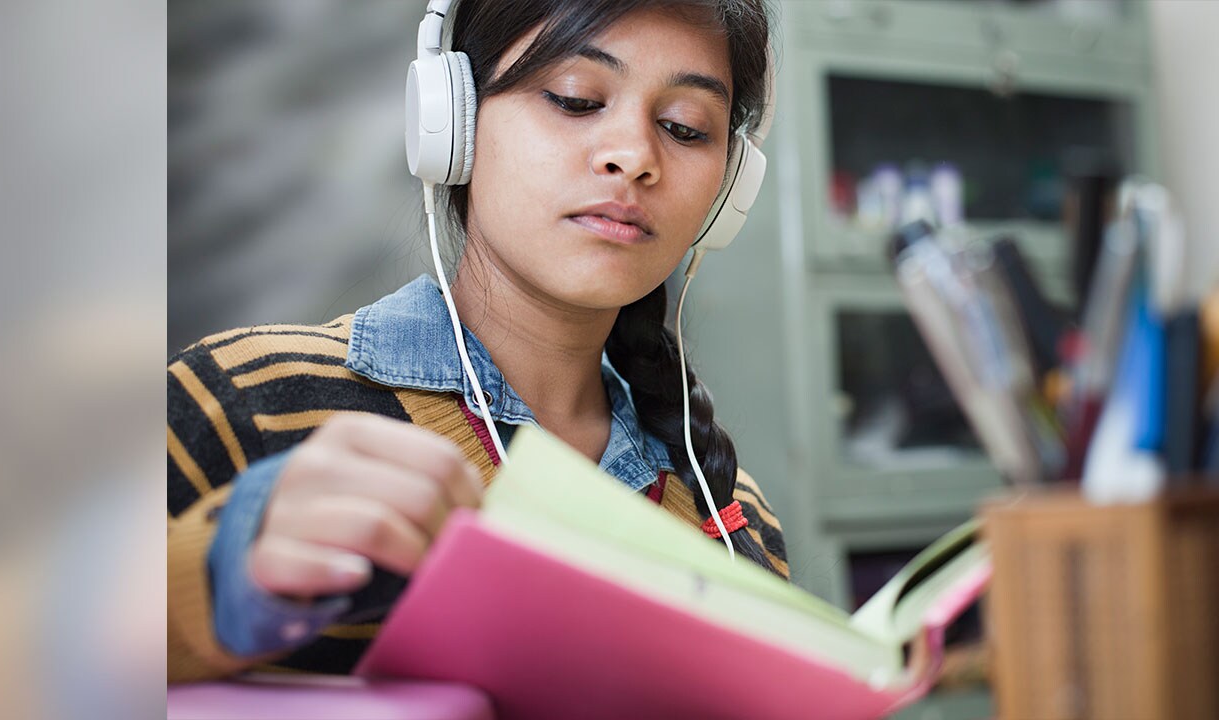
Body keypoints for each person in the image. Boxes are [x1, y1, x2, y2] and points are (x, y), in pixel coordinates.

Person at [167, 0, 787, 683]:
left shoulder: (731, 519)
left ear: (731, 184)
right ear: (452, 119)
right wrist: (217, 580)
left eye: (684, 128)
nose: (635, 158)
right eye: (575, 99)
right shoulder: (243, 405)